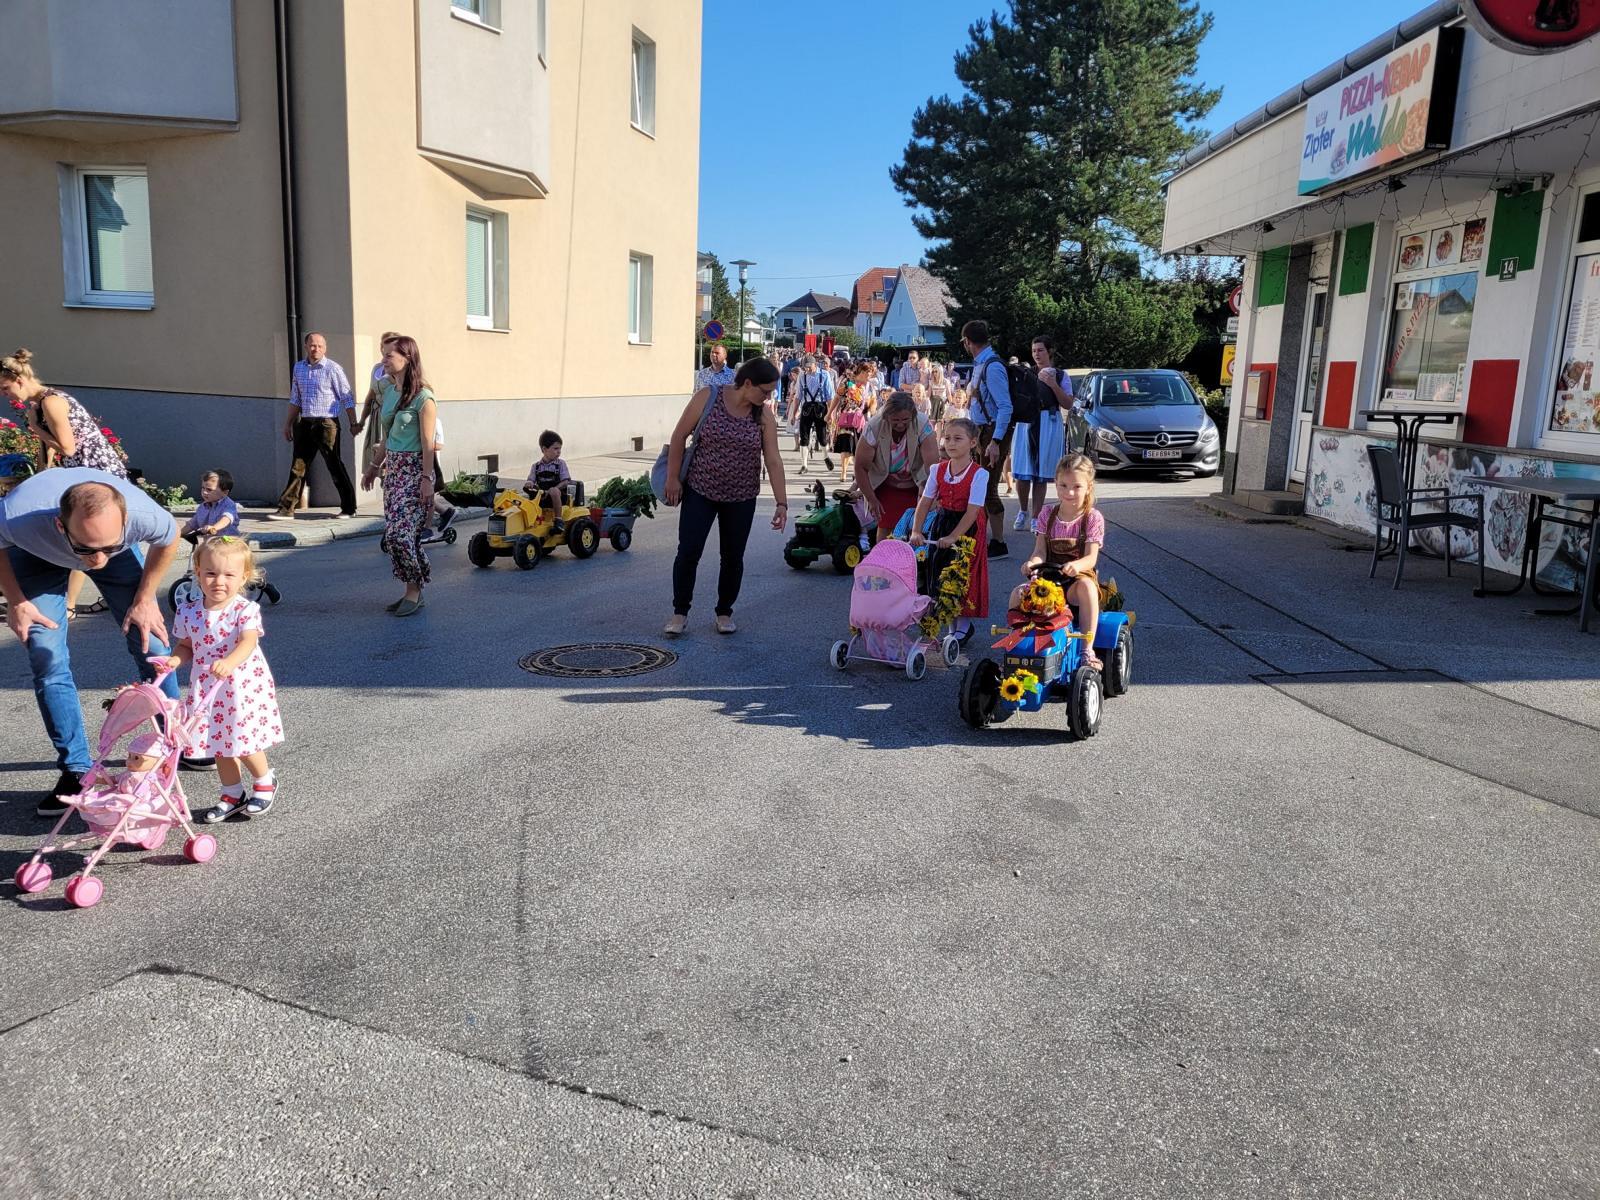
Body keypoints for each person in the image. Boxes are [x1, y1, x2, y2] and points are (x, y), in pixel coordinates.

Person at [0, 470, 206, 816]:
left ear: (124, 521)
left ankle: (173, 742)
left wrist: (145, 597)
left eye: (106, 547)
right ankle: (76, 769)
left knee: (153, 644)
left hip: (118, 554)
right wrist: (16, 600)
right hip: (36, 555)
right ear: (60, 525)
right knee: (46, 656)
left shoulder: (142, 515)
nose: (96, 561)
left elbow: (169, 537)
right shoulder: (17, 517)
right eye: (87, 549)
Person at [662, 358, 788, 636]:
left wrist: (781, 502)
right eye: (765, 391)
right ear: (747, 383)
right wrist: (672, 478)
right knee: (688, 551)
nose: (769, 397)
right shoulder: (708, 397)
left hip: (741, 496)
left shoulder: (763, 415)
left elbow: (773, 460)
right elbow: (679, 435)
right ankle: (680, 612)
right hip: (701, 489)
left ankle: (724, 612)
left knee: (732, 557)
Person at [164, 536, 283, 821]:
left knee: (243, 739)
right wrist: (174, 660)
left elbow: (248, 641)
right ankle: (231, 792)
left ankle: (264, 780)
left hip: (241, 685)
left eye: (229, 575)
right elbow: (186, 645)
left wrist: (229, 662)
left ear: (243, 577)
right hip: (207, 687)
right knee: (217, 741)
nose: (219, 581)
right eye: (211, 573)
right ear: (198, 572)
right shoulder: (189, 611)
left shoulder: (244, 610)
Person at [360, 335, 436, 617]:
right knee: (394, 537)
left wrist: (426, 480)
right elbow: (388, 436)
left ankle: (415, 590)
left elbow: (428, 444)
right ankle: (411, 589)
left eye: (389, 356)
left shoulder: (424, 398)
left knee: (401, 536)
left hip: (415, 472)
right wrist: (373, 467)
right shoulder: (390, 392)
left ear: (407, 358)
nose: (384, 360)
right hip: (394, 472)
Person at [1011, 453, 1103, 668]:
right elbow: (1040, 551)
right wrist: (1032, 563)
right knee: (1018, 593)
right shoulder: (1047, 514)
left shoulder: (1092, 517)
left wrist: (1076, 565)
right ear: (1056, 483)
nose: (1069, 492)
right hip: (1049, 579)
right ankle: (1017, 647)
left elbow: (1091, 558)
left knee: (1087, 588)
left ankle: (1087, 649)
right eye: (1063, 485)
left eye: (1077, 487)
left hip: (1076, 580)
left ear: (1088, 487)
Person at [907, 418, 990, 639]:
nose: (951, 443)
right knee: (939, 568)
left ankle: (962, 625)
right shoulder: (938, 469)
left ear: (973, 443)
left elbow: (972, 512)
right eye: (947, 438)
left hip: (968, 528)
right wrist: (916, 530)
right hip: (943, 521)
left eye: (958, 438)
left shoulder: (979, 474)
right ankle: (948, 621)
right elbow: (925, 502)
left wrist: (954, 536)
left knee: (961, 574)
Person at [270, 332, 359, 520]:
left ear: (325, 348)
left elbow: (347, 397)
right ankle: (286, 509)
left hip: (327, 423)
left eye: (319, 346)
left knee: (334, 465)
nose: (315, 349)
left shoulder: (333, 369)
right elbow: (296, 398)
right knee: (298, 466)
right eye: (312, 345)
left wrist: (353, 423)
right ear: (306, 346)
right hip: (305, 422)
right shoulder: (299, 368)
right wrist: (288, 424)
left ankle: (349, 507)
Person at [855, 392, 938, 546]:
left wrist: (927, 491)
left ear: (912, 415)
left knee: (917, 529)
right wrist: (871, 499)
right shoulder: (874, 426)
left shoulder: (922, 423)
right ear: (886, 417)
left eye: (905, 420)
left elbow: (932, 466)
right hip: (885, 482)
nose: (900, 424)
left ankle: (913, 558)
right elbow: (860, 467)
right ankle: (883, 556)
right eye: (895, 420)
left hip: (917, 482)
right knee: (886, 526)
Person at [960, 320, 1014, 559]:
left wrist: (996, 441)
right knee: (979, 486)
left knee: (989, 487)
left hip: (992, 433)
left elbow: (1005, 407)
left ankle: (999, 543)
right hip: (983, 432)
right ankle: (980, 537)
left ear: (968, 341)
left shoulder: (992, 366)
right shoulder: (982, 363)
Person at [1010, 336, 1073, 532]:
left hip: (1048, 422)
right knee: (1023, 471)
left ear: (1049, 351)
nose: (1036, 354)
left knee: (1041, 474)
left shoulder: (1061, 375)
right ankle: (1023, 510)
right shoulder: (1026, 373)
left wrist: (1053, 384)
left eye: (1040, 350)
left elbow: (1068, 404)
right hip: (1027, 421)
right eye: (1034, 350)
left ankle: (1036, 516)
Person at [353, 330, 401, 475]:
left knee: (389, 458)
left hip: (392, 416)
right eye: (382, 345)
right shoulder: (377, 368)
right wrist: (362, 421)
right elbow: (371, 395)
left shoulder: (399, 370)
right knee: (375, 454)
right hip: (377, 415)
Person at [793, 357, 834, 475]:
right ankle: (804, 465)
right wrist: (794, 413)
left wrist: (830, 414)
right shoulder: (802, 376)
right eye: (805, 367)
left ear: (815, 364)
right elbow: (798, 396)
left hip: (820, 407)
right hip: (806, 407)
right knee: (804, 436)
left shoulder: (824, 375)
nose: (807, 369)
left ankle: (825, 456)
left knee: (822, 436)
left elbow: (829, 396)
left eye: (809, 367)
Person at [828, 365, 869, 484]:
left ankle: (857, 473)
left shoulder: (867, 386)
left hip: (859, 420)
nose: (868, 377)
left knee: (858, 447)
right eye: (867, 374)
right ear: (861, 373)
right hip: (846, 418)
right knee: (846, 444)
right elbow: (837, 398)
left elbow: (869, 403)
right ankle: (844, 471)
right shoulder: (847, 383)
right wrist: (829, 413)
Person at [523, 431, 571, 533]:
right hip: (542, 495)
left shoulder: (560, 464)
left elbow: (566, 481)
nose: (559, 452)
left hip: (558, 496)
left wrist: (554, 489)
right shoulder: (536, 466)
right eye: (555, 448)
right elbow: (531, 479)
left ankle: (558, 520)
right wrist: (529, 483)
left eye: (560, 449)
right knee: (527, 497)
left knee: (554, 491)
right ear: (544, 449)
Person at [181, 470, 240, 544]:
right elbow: (193, 523)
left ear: (225, 492)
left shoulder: (228, 505)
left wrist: (214, 527)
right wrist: (179, 533)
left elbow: (226, 518)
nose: (204, 492)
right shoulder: (203, 506)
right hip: (210, 544)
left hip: (228, 543)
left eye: (209, 489)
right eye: (203, 488)